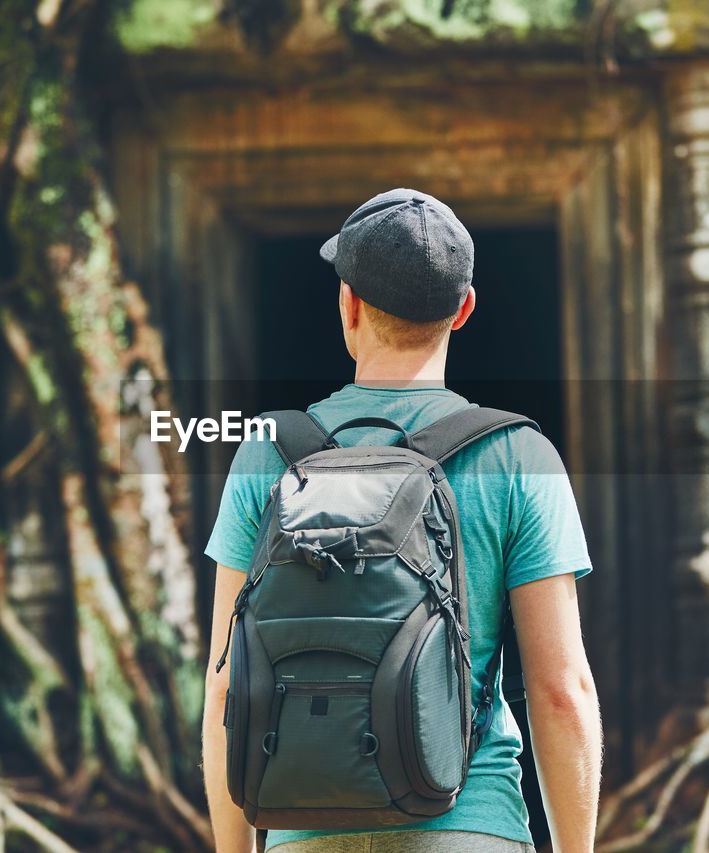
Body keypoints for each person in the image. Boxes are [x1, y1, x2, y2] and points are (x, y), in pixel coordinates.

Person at [201, 188, 602, 853]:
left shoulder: (267, 455)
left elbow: (224, 692)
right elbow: (560, 690)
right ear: (464, 309)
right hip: (473, 829)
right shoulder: (520, 456)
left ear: (347, 303)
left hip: (305, 832)